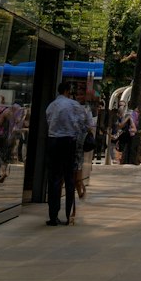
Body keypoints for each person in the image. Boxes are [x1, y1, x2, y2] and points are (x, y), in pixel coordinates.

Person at [45, 80, 87, 227]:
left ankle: (53, 215)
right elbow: (84, 122)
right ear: (68, 91)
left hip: (53, 141)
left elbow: (48, 121)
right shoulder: (74, 105)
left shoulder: (51, 106)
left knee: (54, 178)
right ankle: (68, 215)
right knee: (69, 177)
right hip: (69, 141)